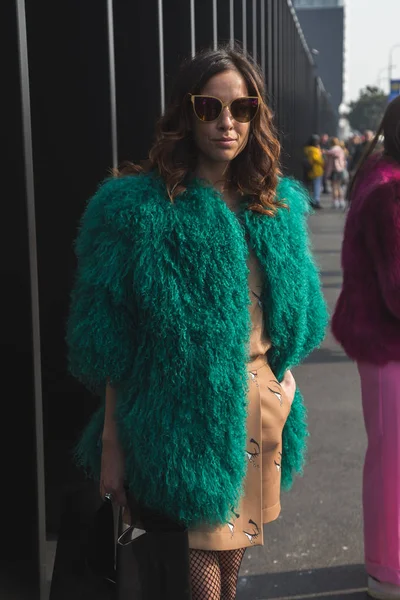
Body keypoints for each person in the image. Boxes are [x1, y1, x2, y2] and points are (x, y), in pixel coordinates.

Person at [67, 46, 327, 599]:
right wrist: (112, 441)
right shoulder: (140, 209)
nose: (227, 123)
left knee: (226, 577)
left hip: (257, 420)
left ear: (258, 116)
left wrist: (284, 380)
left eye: (242, 108)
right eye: (210, 107)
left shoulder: (273, 204)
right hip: (179, 425)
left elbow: (299, 314)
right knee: (199, 584)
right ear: (186, 113)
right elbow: (112, 340)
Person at [332, 96, 400, 600]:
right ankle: (386, 570)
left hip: (381, 341)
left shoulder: (380, 180)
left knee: (390, 459)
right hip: (387, 343)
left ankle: (386, 565)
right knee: (391, 462)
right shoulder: (389, 191)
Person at [324, 137, 347, 210]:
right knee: (339, 186)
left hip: (334, 170)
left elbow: (329, 153)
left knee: (334, 187)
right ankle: (342, 201)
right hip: (340, 169)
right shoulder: (341, 149)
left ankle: (335, 202)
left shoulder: (333, 149)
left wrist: (324, 151)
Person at [303, 134, 325, 209]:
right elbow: (319, 160)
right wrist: (321, 156)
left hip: (311, 170)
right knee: (317, 186)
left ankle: (311, 200)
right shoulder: (314, 150)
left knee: (311, 186)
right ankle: (316, 201)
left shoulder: (307, 149)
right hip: (317, 170)